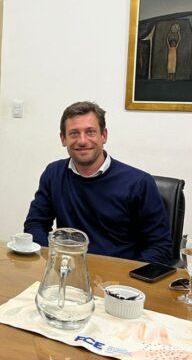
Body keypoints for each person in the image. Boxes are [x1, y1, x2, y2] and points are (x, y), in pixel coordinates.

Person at [24, 101, 172, 265]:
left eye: (90, 132)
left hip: (119, 276)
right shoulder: (54, 173)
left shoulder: (139, 183)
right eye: (74, 133)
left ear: (104, 136)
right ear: (63, 139)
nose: (82, 141)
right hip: (69, 270)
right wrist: (54, 260)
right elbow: (35, 224)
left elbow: (160, 247)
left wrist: (128, 277)